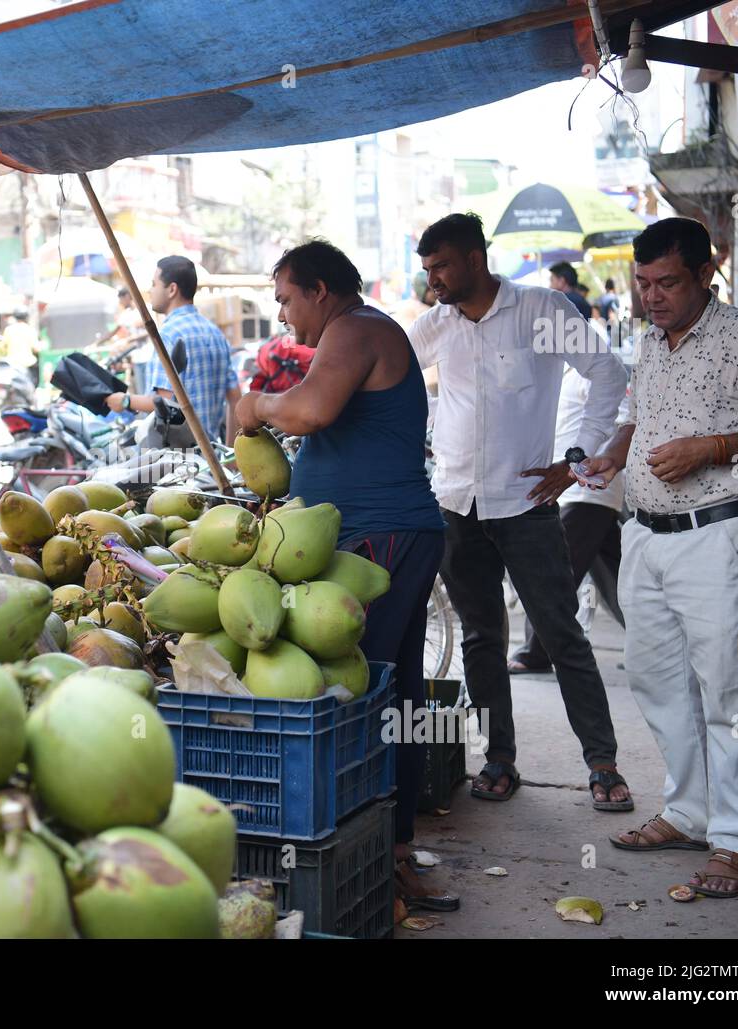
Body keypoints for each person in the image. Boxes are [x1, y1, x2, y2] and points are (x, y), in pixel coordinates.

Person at [236, 239, 455, 912]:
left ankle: (384, 851)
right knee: (395, 688)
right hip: (379, 535)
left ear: (320, 290)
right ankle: (392, 848)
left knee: (364, 690)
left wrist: (255, 406)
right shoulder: (356, 331)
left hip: (382, 535)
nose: (281, 313)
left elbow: (310, 411)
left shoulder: (358, 328)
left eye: (284, 297)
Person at [577, 217, 738, 898]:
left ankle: (736, 840)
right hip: (645, 533)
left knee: (727, 689)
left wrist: (710, 447)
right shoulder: (651, 340)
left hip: (718, 535)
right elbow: (647, 413)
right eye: (643, 283)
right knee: (655, 677)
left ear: (705, 274)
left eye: (666, 281)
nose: (652, 296)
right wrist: (617, 449)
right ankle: (689, 809)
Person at [409, 213, 633, 810]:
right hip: (456, 502)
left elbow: (607, 373)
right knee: (482, 638)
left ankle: (602, 762)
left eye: (441, 267)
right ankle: (499, 760)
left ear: (476, 260)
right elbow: (392, 378)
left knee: (562, 634)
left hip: (527, 504)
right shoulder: (435, 326)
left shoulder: (542, 311)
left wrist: (577, 460)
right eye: (426, 269)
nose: (433, 279)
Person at [508, 363, 628, 674]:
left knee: (552, 574)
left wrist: (591, 465)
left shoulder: (592, 372)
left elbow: (626, 416)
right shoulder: (555, 374)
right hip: (577, 495)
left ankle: (536, 652)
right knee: (617, 578)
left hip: (588, 492)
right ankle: (655, 645)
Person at [104, 256, 241, 442]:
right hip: (211, 457)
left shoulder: (168, 335)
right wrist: (231, 454)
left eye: (154, 284)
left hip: (178, 461)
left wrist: (125, 401)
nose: (150, 291)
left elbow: (163, 403)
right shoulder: (215, 333)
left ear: (171, 290)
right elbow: (235, 399)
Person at [0, 307, 42, 387]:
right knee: (32, 387)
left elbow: (2, 347)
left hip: (13, 364)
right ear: (26, 317)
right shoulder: (30, 330)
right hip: (28, 364)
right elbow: (36, 349)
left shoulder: (8, 330)